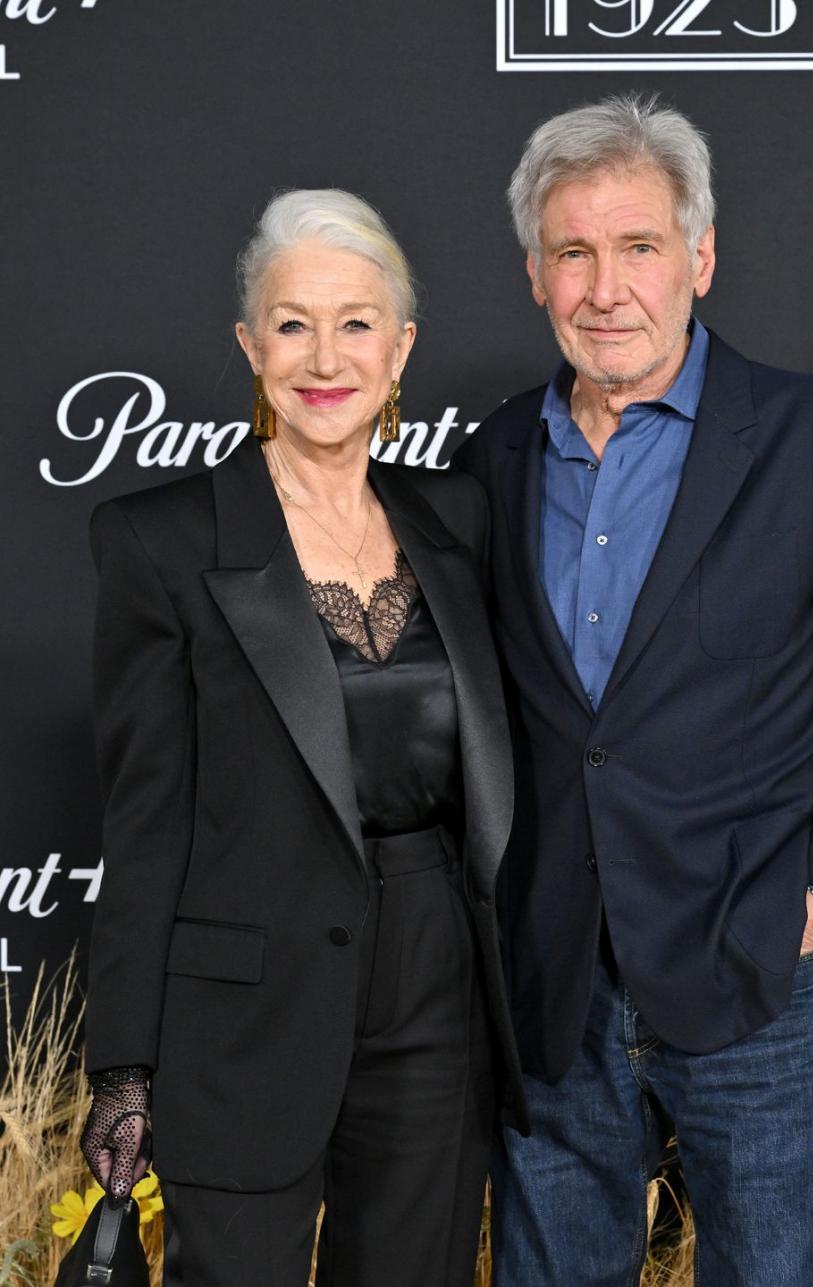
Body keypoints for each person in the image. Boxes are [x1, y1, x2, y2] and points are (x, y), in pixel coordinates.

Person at [455, 94, 813, 1287]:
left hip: (755, 979)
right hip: (556, 983)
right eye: (574, 251)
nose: (606, 286)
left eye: (640, 246)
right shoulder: (497, 454)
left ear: (701, 259)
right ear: (534, 273)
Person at [79, 188, 527, 1287]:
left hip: (435, 982)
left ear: (402, 347)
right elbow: (144, 822)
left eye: (357, 322)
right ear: (249, 345)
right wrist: (125, 1068)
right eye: (292, 323)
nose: (325, 356)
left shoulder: (456, 518)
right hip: (241, 1004)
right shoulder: (161, 538)